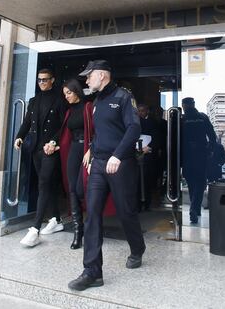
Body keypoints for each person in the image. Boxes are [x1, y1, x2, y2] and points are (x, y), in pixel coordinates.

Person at [68, 60, 145, 292]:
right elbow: (101, 132)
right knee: (92, 214)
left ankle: (137, 248)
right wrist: (92, 150)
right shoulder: (96, 102)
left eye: (89, 76)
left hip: (120, 163)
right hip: (99, 164)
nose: (86, 81)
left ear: (102, 75)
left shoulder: (123, 97)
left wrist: (117, 156)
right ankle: (92, 272)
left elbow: (134, 128)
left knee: (125, 211)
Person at [15, 68, 66, 247]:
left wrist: (53, 141)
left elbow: (64, 126)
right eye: (39, 80)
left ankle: (35, 229)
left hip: (51, 150)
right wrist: (19, 136)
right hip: (36, 148)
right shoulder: (34, 101)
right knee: (47, 184)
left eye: (45, 80)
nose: (42, 83)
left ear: (52, 80)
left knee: (44, 184)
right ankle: (56, 220)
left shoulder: (60, 100)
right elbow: (28, 121)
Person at [59, 79, 94, 250]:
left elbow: (97, 130)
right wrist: (53, 142)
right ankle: (77, 231)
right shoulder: (69, 111)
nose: (67, 97)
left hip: (87, 150)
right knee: (73, 188)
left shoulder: (88, 107)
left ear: (77, 91)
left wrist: (91, 149)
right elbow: (64, 132)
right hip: (73, 150)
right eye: (65, 94)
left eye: (69, 93)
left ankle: (91, 228)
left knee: (86, 188)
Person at [181, 97, 217, 224]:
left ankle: (194, 208)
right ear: (194, 104)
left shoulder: (182, 120)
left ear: (184, 106)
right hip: (201, 155)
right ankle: (195, 209)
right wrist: (211, 150)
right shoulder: (203, 117)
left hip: (187, 156)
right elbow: (212, 135)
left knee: (191, 183)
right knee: (200, 183)